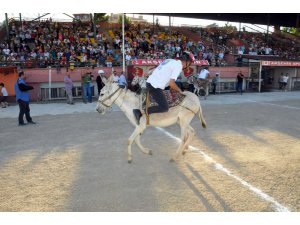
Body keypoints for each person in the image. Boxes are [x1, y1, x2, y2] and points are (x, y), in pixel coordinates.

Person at [133, 51, 195, 125]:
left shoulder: (170, 60)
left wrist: (149, 73)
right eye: (190, 63)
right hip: (155, 87)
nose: (189, 65)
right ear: (187, 62)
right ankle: (140, 112)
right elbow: (172, 84)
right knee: (164, 107)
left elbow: (157, 68)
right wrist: (180, 91)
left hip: (150, 83)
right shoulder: (178, 66)